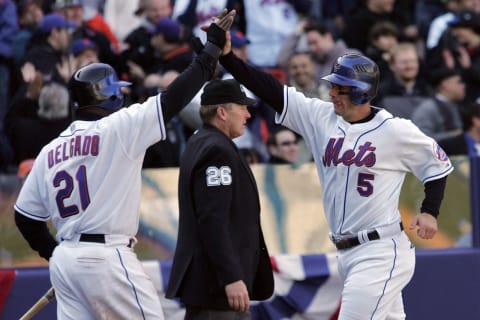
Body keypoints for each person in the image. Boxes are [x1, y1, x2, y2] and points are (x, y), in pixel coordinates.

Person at [13, 9, 235, 319]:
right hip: (107, 258)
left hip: (67, 259)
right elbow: (174, 98)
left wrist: (58, 254)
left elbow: (25, 218)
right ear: (108, 97)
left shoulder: (51, 150)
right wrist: (209, 55)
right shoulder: (118, 128)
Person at [218, 38, 454, 318]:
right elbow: (272, 90)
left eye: (339, 88)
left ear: (361, 93)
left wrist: (429, 212)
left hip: (380, 250)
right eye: (332, 86)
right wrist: (229, 58)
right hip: (346, 251)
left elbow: (437, 165)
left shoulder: (395, 131)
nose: (331, 93)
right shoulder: (321, 117)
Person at [166, 78, 274, 319]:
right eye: (242, 107)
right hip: (216, 289)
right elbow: (213, 220)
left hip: (215, 288)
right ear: (223, 112)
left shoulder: (202, 142)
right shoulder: (217, 150)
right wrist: (231, 277)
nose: (248, 115)